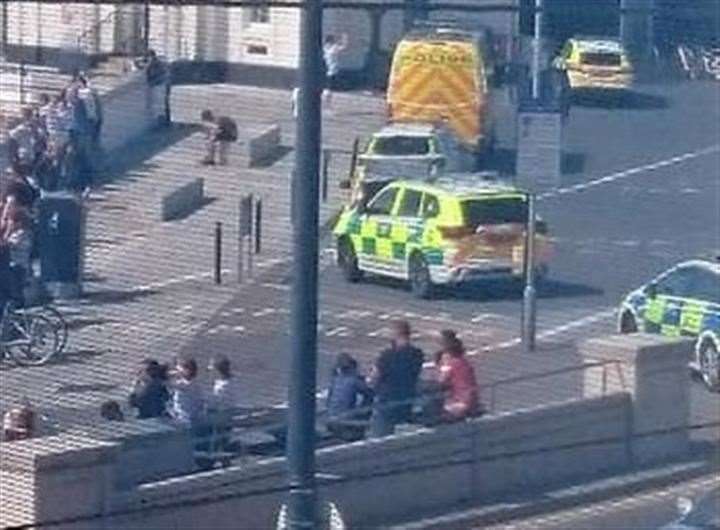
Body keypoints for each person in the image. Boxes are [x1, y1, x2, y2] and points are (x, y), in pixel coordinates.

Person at [369, 320, 425, 438]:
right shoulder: (417, 354)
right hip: (407, 400)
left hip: (387, 402)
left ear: (395, 334)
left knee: (380, 438)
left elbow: (374, 378)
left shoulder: (387, 355)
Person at [326, 353, 374, 441]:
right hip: (346, 421)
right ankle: (362, 428)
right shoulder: (353, 381)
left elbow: (329, 399)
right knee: (369, 400)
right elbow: (369, 392)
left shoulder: (335, 380)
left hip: (331, 418)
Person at [435, 330, 481, 421]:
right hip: (473, 399)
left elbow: (440, 382)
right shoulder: (464, 362)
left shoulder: (450, 364)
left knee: (436, 413)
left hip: (462, 403)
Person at [168, 356, 205, 428]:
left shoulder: (188, 385)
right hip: (181, 415)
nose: (177, 370)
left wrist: (173, 374)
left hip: (184, 419)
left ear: (187, 370)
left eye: (179, 368)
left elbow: (168, 383)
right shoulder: (188, 382)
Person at [322, 33, 348, 110]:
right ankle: (326, 104)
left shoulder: (325, 49)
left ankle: (326, 104)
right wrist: (344, 38)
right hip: (332, 71)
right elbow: (343, 46)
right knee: (328, 89)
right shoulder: (333, 48)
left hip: (327, 71)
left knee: (328, 89)